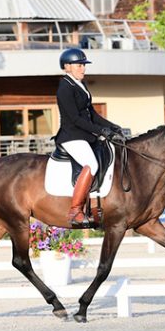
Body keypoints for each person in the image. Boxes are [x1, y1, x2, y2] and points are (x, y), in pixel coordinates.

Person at [55, 48, 124, 227]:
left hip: (85, 135)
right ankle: (75, 211)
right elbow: (76, 119)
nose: (83, 69)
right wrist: (101, 132)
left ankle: (96, 205)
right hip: (71, 136)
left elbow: (91, 114)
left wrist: (112, 127)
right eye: (79, 66)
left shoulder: (80, 85)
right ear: (67, 66)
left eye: (84, 66)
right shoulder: (65, 87)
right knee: (91, 164)